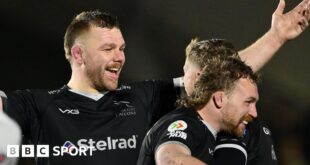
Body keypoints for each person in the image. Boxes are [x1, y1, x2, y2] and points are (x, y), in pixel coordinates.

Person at [1, 0, 310, 164]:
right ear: (79, 54)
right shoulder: (37, 105)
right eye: (108, 49)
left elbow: (221, 81)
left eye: (122, 48)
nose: (120, 57)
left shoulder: (142, 97)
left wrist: (276, 37)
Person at [137, 38, 277, 165]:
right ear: (219, 99)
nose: (254, 113)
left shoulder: (210, 132)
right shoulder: (186, 123)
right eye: (248, 102)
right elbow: (170, 160)